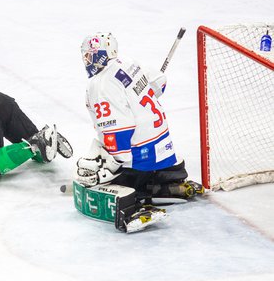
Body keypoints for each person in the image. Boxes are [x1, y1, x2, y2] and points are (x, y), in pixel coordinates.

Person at [73, 32, 204, 233]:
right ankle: (169, 181)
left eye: (90, 55)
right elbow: (160, 81)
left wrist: (110, 170)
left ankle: (134, 200)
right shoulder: (127, 62)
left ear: (102, 54)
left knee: (99, 178)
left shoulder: (99, 85)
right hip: (165, 151)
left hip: (141, 157)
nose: (87, 61)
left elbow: (120, 133)